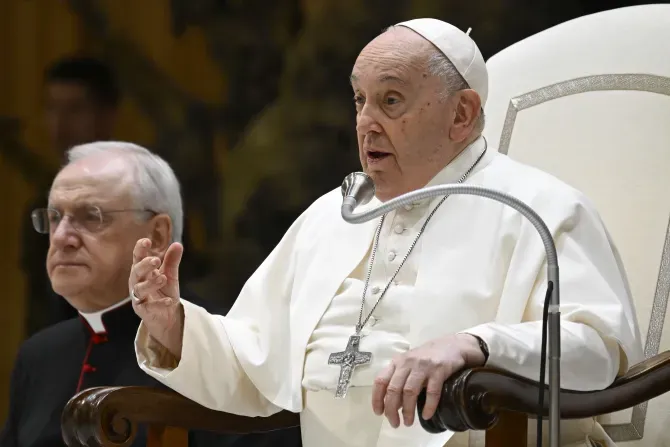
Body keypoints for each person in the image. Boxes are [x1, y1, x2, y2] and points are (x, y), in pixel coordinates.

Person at [129, 19, 642, 447]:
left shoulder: (536, 209)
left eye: (391, 101)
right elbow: (255, 360)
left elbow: (595, 351)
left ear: (461, 114)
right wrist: (172, 324)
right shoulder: (334, 214)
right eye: (359, 100)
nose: (366, 123)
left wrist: (477, 345)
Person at [2, 142, 302, 447]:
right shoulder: (38, 356)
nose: (62, 237)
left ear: (157, 235)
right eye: (54, 217)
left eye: (91, 216)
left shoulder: (224, 351)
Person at [22, 56, 120, 336]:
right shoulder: (41, 207)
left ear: (106, 116)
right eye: (53, 109)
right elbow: (38, 314)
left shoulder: (141, 202)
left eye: (75, 110)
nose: (60, 126)